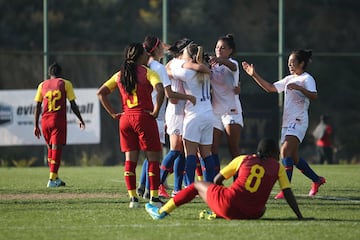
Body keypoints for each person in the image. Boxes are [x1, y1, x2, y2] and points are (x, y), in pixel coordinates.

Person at [145, 138, 304, 220]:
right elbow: (288, 193)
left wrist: (221, 194)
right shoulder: (278, 167)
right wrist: (299, 216)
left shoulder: (243, 159)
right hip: (253, 213)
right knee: (263, 209)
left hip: (228, 206)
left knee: (196, 185)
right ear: (272, 152)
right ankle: (218, 212)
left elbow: (216, 179)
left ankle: (161, 212)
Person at [242, 49, 326, 199]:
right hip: (287, 122)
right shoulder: (288, 79)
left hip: (299, 120)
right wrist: (254, 75)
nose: (290, 65)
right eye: (288, 63)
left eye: (293, 63)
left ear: (301, 63)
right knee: (293, 157)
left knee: (284, 151)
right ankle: (317, 180)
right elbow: (270, 88)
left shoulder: (307, 78)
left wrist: (300, 88)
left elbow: (314, 96)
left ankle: (285, 189)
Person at [97, 43, 165, 208]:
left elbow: (101, 93)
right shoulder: (148, 72)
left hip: (126, 119)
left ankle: (133, 198)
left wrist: (113, 114)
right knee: (153, 158)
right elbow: (161, 90)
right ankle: (154, 198)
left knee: (130, 160)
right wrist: (156, 111)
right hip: (143, 117)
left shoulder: (119, 75)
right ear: (141, 56)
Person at [137, 36, 196, 199]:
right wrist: (190, 98)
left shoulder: (152, 65)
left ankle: (147, 186)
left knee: (168, 152)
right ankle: (155, 186)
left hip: (163, 112)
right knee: (172, 151)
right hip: (169, 112)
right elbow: (172, 96)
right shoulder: (166, 66)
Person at [34, 62, 86, 188]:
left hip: (45, 121)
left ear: (49, 74)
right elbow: (72, 104)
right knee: (57, 149)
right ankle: (51, 179)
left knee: (50, 149)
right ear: (61, 73)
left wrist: (36, 125)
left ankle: (55, 178)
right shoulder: (65, 83)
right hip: (57, 120)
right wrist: (80, 118)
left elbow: (37, 106)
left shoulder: (42, 85)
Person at [171, 43, 215, 184]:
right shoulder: (206, 71)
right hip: (209, 114)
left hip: (194, 115)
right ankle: (209, 187)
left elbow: (168, 72)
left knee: (190, 153)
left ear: (189, 56)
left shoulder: (186, 71)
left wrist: (182, 64)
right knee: (206, 154)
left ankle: (190, 187)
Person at [209, 34, 243, 176]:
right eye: (217, 47)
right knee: (212, 148)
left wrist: (219, 60)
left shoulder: (232, 63)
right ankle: (216, 181)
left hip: (232, 111)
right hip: (216, 111)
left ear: (230, 50)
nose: (219, 50)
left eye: (223, 48)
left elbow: (232, 67)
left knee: (233, 148)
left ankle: (239, 182)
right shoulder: (212, 66)